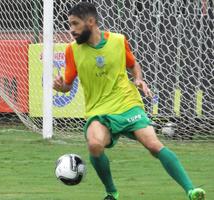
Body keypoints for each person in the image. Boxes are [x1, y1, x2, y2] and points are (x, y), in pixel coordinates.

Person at [53, 2, 205, 200]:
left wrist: (138, 79)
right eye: (70, 25)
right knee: (94, 145)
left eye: (75, 24)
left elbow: (133, 64)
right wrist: (61, 86)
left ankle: (191, 190)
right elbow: (67, 84)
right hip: (99, 110)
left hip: (127, 103)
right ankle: (111, 193)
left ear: (90, 22)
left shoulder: (118, 41)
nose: (71, 30)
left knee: (153, 145)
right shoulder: (72, 51)